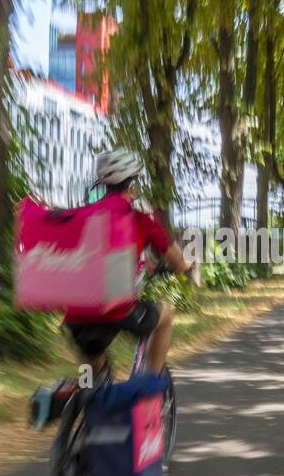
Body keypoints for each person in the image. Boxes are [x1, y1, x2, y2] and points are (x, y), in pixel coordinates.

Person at [63, 149, 194, 377]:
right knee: (166, 315)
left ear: (103, 182)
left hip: (76, 311)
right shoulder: (139, 212)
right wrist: (187, 268)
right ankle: (152, 384)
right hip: (117, 306)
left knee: (93, 365)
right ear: (133, 180)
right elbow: (175, 258)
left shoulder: (85, 212)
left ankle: (87, 399)